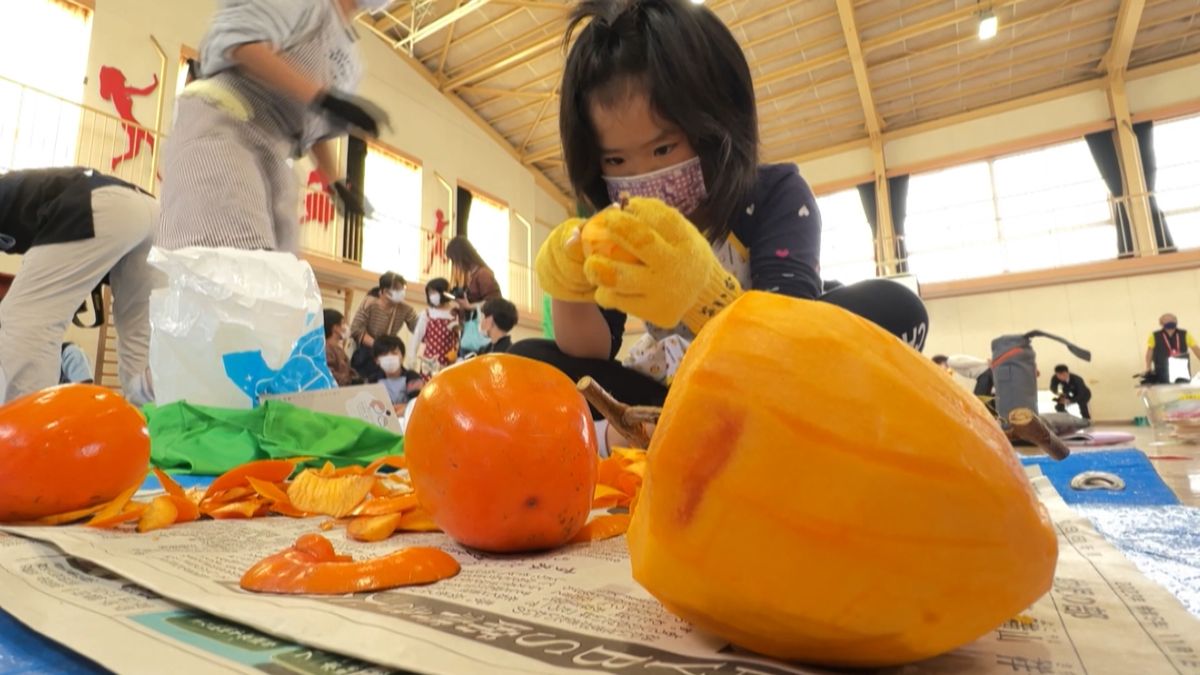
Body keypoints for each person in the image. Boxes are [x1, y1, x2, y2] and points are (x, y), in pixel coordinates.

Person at [513, 0, 927, 451]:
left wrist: (700, 295)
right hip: (673, 392)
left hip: (772, 380)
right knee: (527, 361)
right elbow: (595, 353)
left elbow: (790, 330)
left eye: (663, 149)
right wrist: (568, 288)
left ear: (716, 123)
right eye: (615, 159)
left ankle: (647, 436)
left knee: (894, 308)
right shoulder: (620, 223)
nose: (640, 175)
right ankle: (658, 430)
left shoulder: (775, 193)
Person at [155, 0, 390, 253]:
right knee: (231, 255)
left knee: (278, 269)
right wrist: (323, 98)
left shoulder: (352, 62)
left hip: (275, 152)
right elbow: (242, 45)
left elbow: (313, 128)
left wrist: (336, 183)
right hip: (223, 123)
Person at [0, 167, 157, 405]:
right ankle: (150, 427)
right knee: (139, 343)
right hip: (151, 213)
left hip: (99, 203)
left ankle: (27, 436)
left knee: (25, 322)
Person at [350, 271, 417, 382]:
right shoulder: (369, 303)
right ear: (385, 291)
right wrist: (378, 346)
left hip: (389, 351)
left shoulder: (406, 309)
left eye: (403, 288)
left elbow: (417, 328)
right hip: (367, 353)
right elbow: (356, 329)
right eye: (397, 289)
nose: (402, 292)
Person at [408, 278, 460, 376]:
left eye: (434, 292)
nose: (432, 296)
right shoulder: (426, 314)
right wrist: (412, 359)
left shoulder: (455, 314)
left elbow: (460, 339)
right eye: (430, 293)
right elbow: (417, 337)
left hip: (451, 362)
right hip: (429, 362)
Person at [446, 236, 501, 306]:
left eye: (454, 260)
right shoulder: (471, 275)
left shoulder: (483, 274)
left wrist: (469, 306)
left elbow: (493, 301)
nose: (455, 265)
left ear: (462, 257)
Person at [1145, 313, 1200, 384]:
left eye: (1173, 320)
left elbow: (1196, 349)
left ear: (1176, 322)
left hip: (1181, 370)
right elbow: (1149, 352)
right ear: (1161, 323)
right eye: (1167, 320)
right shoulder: (1154, 335)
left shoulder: (1185, 334)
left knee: (1182, 392)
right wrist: (1148, 367)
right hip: (1162, 369)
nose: (1170, 321)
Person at [373, 335, 423, 409]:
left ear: (402, 357)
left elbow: (419, 404)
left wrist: (405, 408)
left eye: (394, 353)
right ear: (377, 360)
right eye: (384, 354)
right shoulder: (373, 381)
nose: (389, 358)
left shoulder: (412, 378)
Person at [323, 308, 356, 386]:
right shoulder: (326, 349)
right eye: (343, 323)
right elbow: (329, 374)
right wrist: (349, 380)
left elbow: (348, 370)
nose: (347, 326)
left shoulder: (338, 349)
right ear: (335, 328)